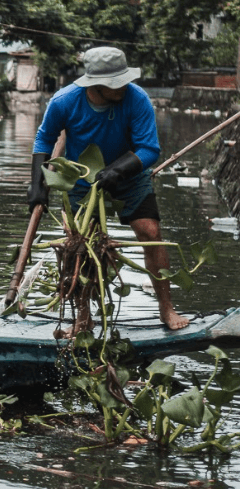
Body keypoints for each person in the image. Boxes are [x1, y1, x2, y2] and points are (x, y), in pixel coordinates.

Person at [28, 46, 189, 331]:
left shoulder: (137, 98)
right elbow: (44, 140)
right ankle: (83, 318)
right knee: (82, 247)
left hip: (130, 173)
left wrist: (117, 170)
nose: (123, 87)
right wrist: (37, 184)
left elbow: (149, 149)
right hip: (82, 179)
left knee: (151, 233)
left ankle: (166, 308)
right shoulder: (64, 101)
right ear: (95, 84)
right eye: (116, 83)